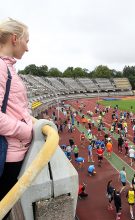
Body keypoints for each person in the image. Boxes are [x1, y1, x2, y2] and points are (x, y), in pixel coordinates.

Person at [0, 18, 33, 219]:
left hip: (13, 151)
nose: (27, 48)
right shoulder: (1, 68)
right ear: (14, 39)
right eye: (26, 41)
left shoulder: (8, 68)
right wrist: (27, 130)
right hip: (9, 154)